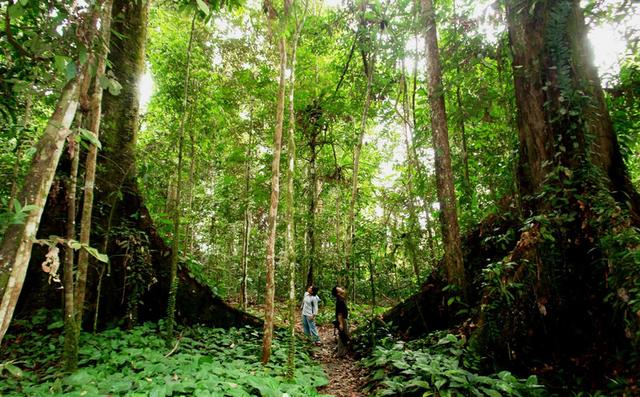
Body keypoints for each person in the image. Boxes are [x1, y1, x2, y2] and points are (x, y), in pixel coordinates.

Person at [331, 286, 349, 357]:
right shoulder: (340, 301)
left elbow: (345, 291)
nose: (342, 288)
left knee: (342, 335)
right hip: (342, 320)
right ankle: (340, 353)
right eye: (339, 289)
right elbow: (339, 314)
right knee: (343, 336)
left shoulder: (341, 298)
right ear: (338, 293)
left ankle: (340, 350)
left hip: (343, 319)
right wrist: (341, 324)